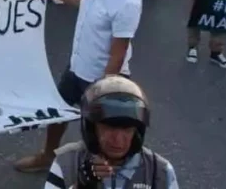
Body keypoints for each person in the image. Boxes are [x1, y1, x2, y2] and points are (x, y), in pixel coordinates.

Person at [15, 0, 142, 174]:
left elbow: (119, 50)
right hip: (76, 67)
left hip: (100, 77)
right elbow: (87, 2)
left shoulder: (128, 1)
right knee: (57, 114)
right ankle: (47, 156)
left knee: (97, 129)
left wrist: (104, 89)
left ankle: (100, 173)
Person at [46, 76, 179, 189]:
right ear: (92, 129)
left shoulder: (160, 172)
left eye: (127, 129)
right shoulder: (66, 162)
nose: (118, 140)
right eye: (109, 128)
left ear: (137, 132)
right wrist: (82, 185)